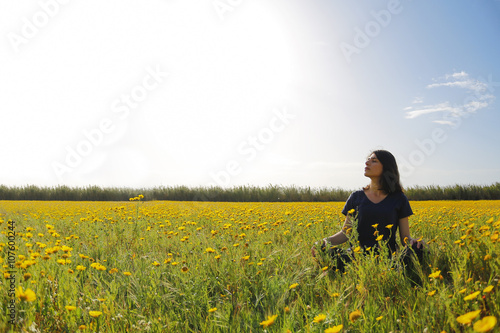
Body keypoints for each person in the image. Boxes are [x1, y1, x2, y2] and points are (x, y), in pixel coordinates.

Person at [312, 150, 425, 273]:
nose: (367, 162)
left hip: (387, 258)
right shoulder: (356, 197)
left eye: (374, 161)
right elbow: (345, 233)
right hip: (357, 257)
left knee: (418, 248)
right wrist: (323, 242)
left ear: (386, 167)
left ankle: (395, 271)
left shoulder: (399, 199)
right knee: (324, 250)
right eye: (368, 159)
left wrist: (413, 242)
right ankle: (364, 270)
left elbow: (405, 237)